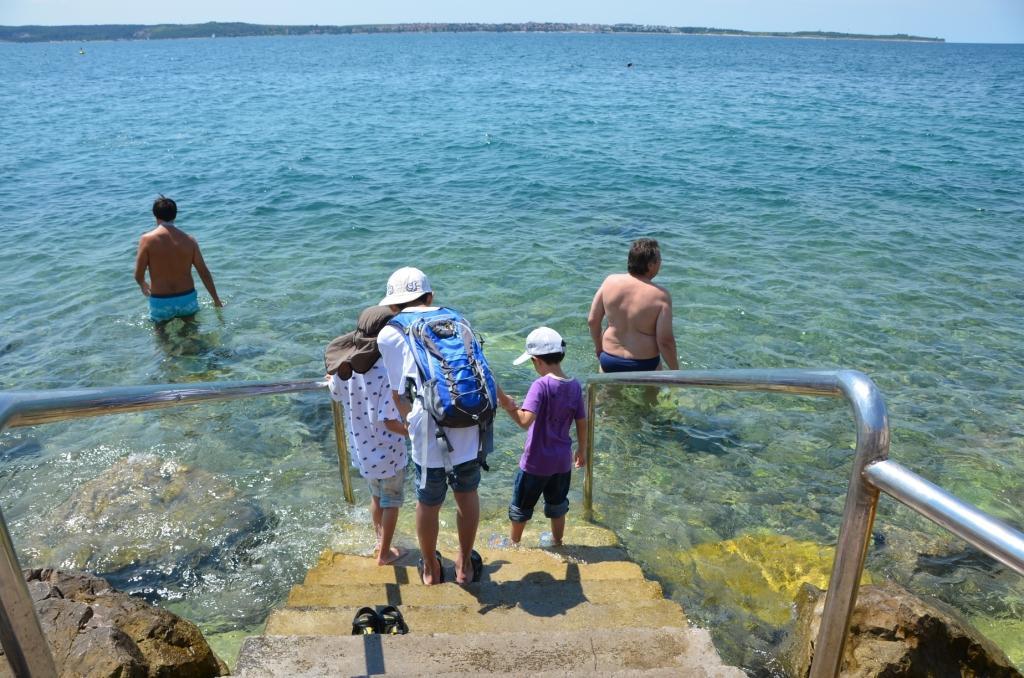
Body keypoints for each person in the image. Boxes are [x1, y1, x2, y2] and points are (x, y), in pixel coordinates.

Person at [376, 267, 488, 585]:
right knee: (467, 492)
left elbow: (398, 394)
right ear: (430, 296)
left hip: (429, 430)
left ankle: (430, 568)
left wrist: (412, 424)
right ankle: (465, 566)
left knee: (429, 501)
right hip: (469, 419)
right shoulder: (458, 319)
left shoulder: (390, 333)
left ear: (393, 304)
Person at [325, 305, 409, 566]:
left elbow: (335, 393)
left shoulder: (346, 367)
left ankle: (379, 542)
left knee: (376, 498)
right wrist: (416, 432)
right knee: (391, 502)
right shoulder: (387, 372)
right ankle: (385, 553)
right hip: (389, 453)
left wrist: (330, 378)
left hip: (362, 451)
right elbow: (390, 421)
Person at [498, 327, 587, 547]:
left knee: (522, 506)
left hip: (536, 462)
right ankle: (557, 541)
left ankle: (514, 543)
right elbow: (581, 421)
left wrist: (509, 407)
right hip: (562, 461)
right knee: (557, 504)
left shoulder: (541, 385)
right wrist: (582, 449)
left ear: (537, 360)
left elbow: (524, 421)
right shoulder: (575, 385)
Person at [587, 238, 678, 372]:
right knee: (656, 380)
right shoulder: (661, 295)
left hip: (609, 360)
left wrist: (599, 348)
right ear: (650, 265)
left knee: (606, 384)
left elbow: (592, 321)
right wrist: (676, 371)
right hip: (645, 364)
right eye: (660, 260)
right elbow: (665, 341)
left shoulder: (609, 282)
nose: (661, 263)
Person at [134, 195, 223, 322]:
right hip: (187, 297)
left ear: (155, 214)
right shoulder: (190, 240)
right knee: (191, 331)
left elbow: (138, 274)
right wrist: (216, 299)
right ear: (175, 215)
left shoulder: (147, 240)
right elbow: (203, 272)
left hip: (161, 299)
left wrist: (143, 284)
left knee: (161, 333)